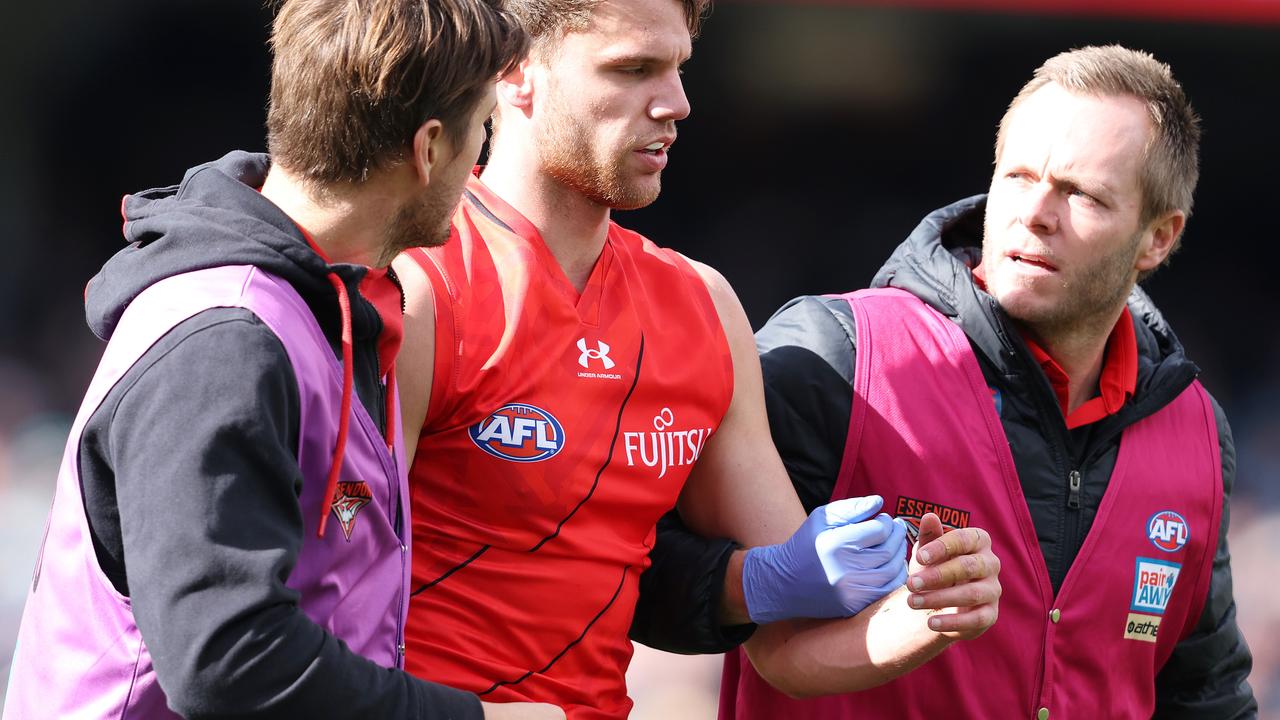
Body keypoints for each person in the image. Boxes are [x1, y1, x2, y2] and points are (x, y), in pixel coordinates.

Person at [392, 0, 1001, 715]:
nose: (676, 103)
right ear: (518, 73)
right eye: (633, 69)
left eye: (679, 68)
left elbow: (787, 646)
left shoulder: (702, 306)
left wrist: (925, 613)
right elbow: (327, 578)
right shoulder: (417, 280)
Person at [3, 1, 563, 718]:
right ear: (428, 149)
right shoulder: (225, 340)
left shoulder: (332, 307)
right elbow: (224, 658)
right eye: (483, 128)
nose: (482, 160)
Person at [708, 45, 1256, 718]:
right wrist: (765, 583)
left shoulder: (1197, 429)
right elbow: (661, 582)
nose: (1036, 213)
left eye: (1081, 194)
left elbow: (1205, 694)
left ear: (1158, 238)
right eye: (1019, 177)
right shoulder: (833, 357)